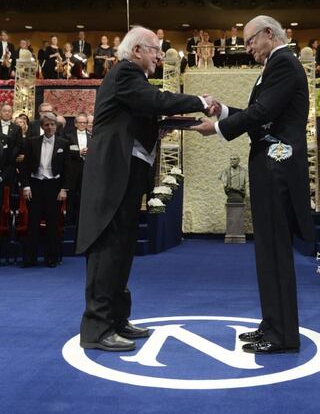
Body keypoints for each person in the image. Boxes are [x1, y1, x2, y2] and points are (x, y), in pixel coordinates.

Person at [76, 26, 215, 352]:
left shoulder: (131, 79)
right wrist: (199, 101)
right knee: (108, 247)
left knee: (123, 248)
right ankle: (96, 329)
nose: (159, 55)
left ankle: (117, 319)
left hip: (126, 177)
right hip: (112, 178)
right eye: (155, 49)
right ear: (137, 50)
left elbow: (145, 112)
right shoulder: (125, 73)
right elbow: (154, 100)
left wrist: (174, 125)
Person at [192, 15, 314, 354]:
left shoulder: (285, 64)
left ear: (268, 34)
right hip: (268, 169)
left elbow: (261, 113)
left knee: (275, 254)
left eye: (249, 42)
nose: (247, 49)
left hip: (277, 169)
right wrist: (224, 111)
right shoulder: (276, 65)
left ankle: (284, 336)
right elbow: (259, 111)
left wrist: (217, 129)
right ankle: (272, 325)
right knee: (267, 253)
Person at [21, 112, 71, 268]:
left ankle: (51, 258)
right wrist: (26, 186)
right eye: (46, 125)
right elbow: (25, 166)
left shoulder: (64, 143)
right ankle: (30, 259)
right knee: (33, 224)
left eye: (52, 124)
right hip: (35, 185)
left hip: (54, 187)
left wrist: (64, 189)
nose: (49, 127)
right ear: (42, 126)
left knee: (52, 224)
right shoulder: (31, 142)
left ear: (56, 126)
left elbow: (68, 169)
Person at [65, 113, 91, 225]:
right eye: (80, 122)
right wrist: (79, 152)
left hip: (87, 169)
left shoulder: (91, 136)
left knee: (85, 195)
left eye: (84, 122)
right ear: (75, 124)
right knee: (71, 196)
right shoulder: (69, 136)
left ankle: (83, 221)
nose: (82, 124)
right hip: (73, 170)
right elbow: (66, 151)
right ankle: (70, 220)